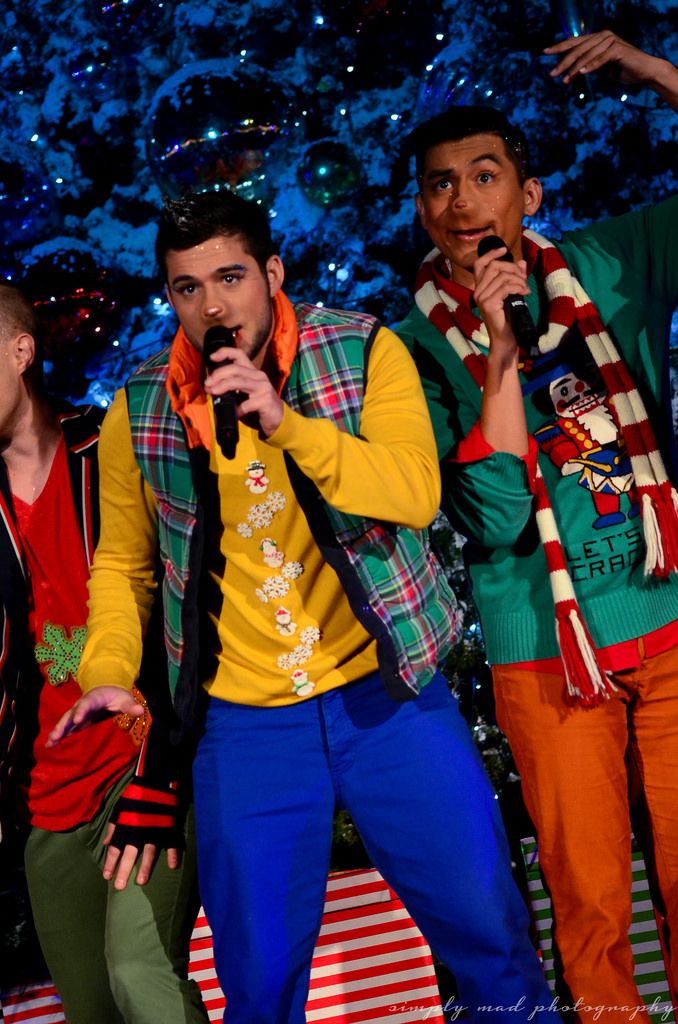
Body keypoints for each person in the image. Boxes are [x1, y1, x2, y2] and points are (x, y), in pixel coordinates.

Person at [48, 190, 558, 1023]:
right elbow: (123, 566)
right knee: (259, 982)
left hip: (386, 700)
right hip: (247, 727)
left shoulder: (362, 349)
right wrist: (106, 672)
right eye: (186, 288)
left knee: (491, 942)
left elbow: (413, 490)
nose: (213, 305)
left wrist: (286, 423)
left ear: (273, 273)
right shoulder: (139, 411)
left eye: (232, 277)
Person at [395, 30, 678, 1020]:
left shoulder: (611, 259)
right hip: (545, 654)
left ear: (531, 194)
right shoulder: (410, 348)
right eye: (440, 184)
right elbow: (497, 510)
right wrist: (501, 355)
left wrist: (654, 74)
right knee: (590, 907)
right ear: (424, 212)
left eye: (485, 175)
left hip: (669, 622)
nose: (464, 200)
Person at [0, 282, 207, 1024]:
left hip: (140, 767)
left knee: (142, 977)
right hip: (45, 808)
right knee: (91, 1012)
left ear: (21, 351)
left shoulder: (109, 446)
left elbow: (181, 582)